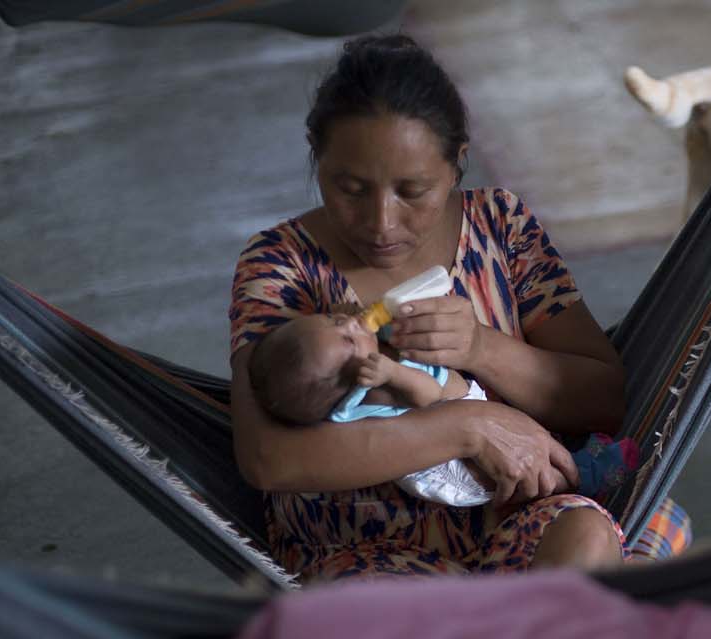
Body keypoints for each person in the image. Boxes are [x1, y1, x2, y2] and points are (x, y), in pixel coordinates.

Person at [228, 33, 656, 581]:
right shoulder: (281, 263)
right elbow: (270, 459)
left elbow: (604, 401)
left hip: (513, 530)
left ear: (457, 165)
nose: (382, 223)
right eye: (350, 188)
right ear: (316, 154)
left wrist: (482, 347)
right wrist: (466, 425)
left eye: (414, 191)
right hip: (360, 555)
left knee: (587, 535)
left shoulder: (502, 227)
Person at [245, 312, 641, 506]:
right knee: (536, 478)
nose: (351, 323)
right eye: (348, 340)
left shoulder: (342, 400)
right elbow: (426, 396)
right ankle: (591, 476)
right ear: (346, 382)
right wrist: (394, 372)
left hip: (454, 459)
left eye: (335, 320)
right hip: (453, 467)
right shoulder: (376, 387)